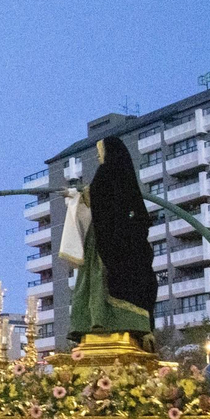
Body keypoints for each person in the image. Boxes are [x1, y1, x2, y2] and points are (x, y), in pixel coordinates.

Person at [66, 135, 156, 346]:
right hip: (124, 241)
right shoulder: (126, 177)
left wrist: (76, 195)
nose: (99, 158)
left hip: (104, 239)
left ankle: (100, 320)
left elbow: (99, 199)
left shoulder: (106, 173)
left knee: (97, 279)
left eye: (100, 153)